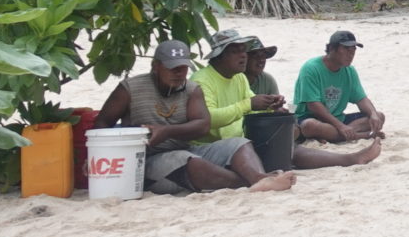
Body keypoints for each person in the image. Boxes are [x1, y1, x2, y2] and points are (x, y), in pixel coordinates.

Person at [96, 39, 295, 194]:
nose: (179, 73)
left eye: (183, 68)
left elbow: (202, 124)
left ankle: (260, 179)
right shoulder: (130, 88)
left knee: (238, 143)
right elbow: (103, 122)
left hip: (187, 147)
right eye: (172, 68)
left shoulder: (191, 89)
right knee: (187, 160)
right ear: (156, 66)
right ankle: (248, 182)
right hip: (147, 157)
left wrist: (166, 132)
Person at [198, 30, 381, 169]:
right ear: (220, 56)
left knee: (288, 143)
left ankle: (350, 158)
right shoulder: (204, 80)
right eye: (236, 52)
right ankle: (350, 146)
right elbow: (209, 119)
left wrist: (274, 108)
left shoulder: (246, 78)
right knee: (300, 133)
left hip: (244, 135)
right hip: (225, 143)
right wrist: (250, 105)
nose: (244, 56)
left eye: (244, 51)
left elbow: (256, 106)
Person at [295, 30, 388, 143]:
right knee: (309, 126)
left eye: (353, 50)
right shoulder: (311, 68)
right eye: (346, 49)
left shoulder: (350, 71)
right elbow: (313, 106)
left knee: (379, 116)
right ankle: (361, 135)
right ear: (332, 49)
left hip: (338, 118)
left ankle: (336, 135)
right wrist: (340, 126)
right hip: (312, 117)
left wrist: (373, 114)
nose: (351, 54)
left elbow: (361, 99)